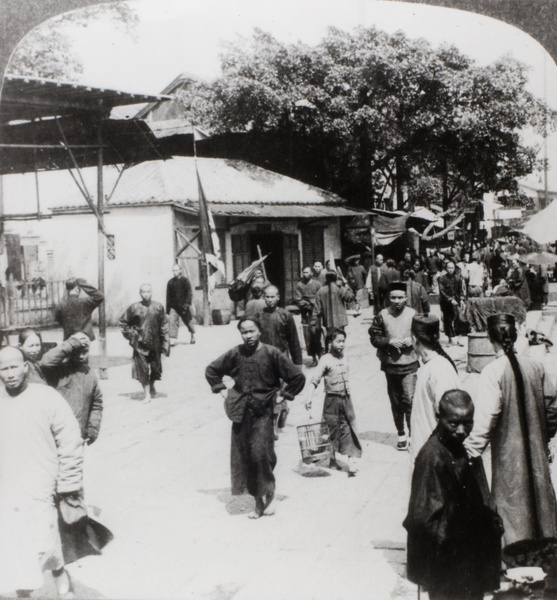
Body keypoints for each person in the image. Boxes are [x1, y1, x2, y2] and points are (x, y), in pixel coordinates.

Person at [465, 313, 557, 548]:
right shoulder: (536, 366)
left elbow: (485, 421)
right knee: (540, 498)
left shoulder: (492, 372)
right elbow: (552, 408)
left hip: (508, 453)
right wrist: (544, 437)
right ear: (515, 336)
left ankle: (517, 556)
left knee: (511, 501)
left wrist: (469, 451)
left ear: (489, 337)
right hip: (536, 448)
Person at [0, 346, 84, 597]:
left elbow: (70, 440)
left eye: (14, 366)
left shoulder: (46, 397)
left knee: (42, 543)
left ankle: (58, 574)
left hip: (42, 485)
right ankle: (25, 592)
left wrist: (69, 482)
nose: (10, 373)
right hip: (8, 488)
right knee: (16, 545)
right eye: (3, 369)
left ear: (25, 367)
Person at [404, 391, 502, 600]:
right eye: (454, 423)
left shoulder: (453, 445)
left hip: (461, 555)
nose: (461, 430)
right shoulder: (432, 457)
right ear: (440, 418)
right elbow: (422, 520)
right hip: (447, 562)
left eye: (468, 423)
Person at [205, 316, 305, 519]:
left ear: (260, 331)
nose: (248, 336)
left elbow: (297, 377)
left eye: (251, 331)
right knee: (244, 456)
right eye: (244, 332)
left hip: (264, 412)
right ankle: (258, 502)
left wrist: (282, 396)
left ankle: (271, 494)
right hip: (241, 411)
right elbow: (212, 370)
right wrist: (222, 390)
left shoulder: (271, 353)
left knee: (261, 454)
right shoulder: (236, 352)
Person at [369, 281, 418, 450]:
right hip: (390, 364)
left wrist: (411, 340)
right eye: (393, 298)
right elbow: (374, 338)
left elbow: (423, 335)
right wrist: (389, 341)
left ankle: (414, 434)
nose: (397, 301)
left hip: (410, 363)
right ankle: (401, 433)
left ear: (406, 297)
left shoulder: (413, 314)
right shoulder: (382, 315)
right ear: (388, 298)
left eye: (400, 297)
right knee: (396, 401)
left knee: (409, 399)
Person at [306, 329, 362, 476]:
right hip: (331, 400)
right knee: (331, 429)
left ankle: (352, 462)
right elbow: (315, 380)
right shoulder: (325, 359)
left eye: (344, 341)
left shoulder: (346, 357)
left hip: (346, 399)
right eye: (339, 341)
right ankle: (332, 458)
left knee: (349, 427)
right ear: (330, 343)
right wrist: (309, 397)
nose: (342, 344)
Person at [409, 315, 461, 465]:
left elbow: (452, 418)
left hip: (436, 458)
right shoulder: (428, 366)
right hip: (426, 452)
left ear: (414, 339)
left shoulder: (439, 370)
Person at [40, 332, 103, 445]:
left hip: (78, 435)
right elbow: (46, 362)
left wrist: (92, 428)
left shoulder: (90, 374)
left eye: (85, 352)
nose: (81, 356)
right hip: (56, 434)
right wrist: (73, 343)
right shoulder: (59, 370)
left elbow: (97, 403)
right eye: (77, 352)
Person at [257, 285, 303, 438]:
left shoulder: (286, 316)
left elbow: (293, 340)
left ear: (278, 297)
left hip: (282, 360)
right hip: (264, 361)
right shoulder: (259, 316)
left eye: (273, 296)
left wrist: (297, 363)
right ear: (264, 297)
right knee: (266, 392)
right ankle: (281, 412)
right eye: (267, 297)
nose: (270, 300)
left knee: (278, 391)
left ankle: (274, 426)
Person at [119, 284, 170, 402]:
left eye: (148, 291)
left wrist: (165, 342)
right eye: (143, 292)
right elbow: (123, 322)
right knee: (142, 369)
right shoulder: (134, 307)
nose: (146, 294)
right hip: (140, 344)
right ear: (140, 293)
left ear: (151, 292)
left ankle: (152, 385)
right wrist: (132, 335)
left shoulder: (158, 307)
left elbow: (164, 325)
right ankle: (146, 393)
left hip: (155, 343)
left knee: (156, 368)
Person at [55, 277, 104, 341]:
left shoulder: (61, 305)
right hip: (85, 339)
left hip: (68, 340)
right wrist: (82, 283)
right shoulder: (85, 302)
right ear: (77, 289)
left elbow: (58, 320)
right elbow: (100, 296)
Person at [294, 266, 323, 366]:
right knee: (308, 336)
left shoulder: (318, 284)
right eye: (303, 273)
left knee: (318, 334)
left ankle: (321, 355)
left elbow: (321, 297)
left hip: (317, 313)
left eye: (307, 272)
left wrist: (316, 306)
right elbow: (298, 299)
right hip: (306, 313)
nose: (305, 274)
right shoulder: (300, 285)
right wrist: (308, 305)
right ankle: (313, 357)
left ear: (311, 273)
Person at [313, 270, 353, 339]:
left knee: (330, 339)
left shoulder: (321, 291)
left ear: (326, 278)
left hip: (327, 320)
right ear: (336, 278)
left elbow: (317, 309)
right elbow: (350, 297)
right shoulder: (340, 289)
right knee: (339, 339)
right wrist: (346, 285)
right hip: (340, 320)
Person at [438, 260, 467, 345]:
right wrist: (450, 299)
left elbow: (461, 290)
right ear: (446, 269)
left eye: (452, 268)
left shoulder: (458, 278)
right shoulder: (442, 278)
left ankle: (459, 338)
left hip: (456, 301)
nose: (450, 269)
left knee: (459, 319)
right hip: (446, 302)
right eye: (449, 268)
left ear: (455, 268)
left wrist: (461, 299)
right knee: (447, 320)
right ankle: (449, 339)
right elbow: (442, 292)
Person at [166, 264, 195, 346]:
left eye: (176, 270)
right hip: (174, 307)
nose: (174, 272)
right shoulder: (170, 282)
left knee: (188, 322)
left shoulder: (185, 281)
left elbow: (189, 293)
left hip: (183, 307)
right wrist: (167, 311)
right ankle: (172, 339)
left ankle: (192, 334)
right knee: (172, 321)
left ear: (180, 270)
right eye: (173, 270)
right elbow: (168, 297)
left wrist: (186, 304)